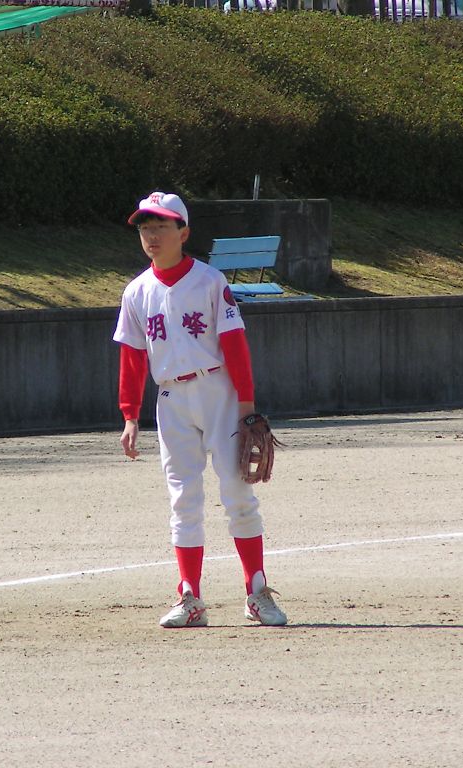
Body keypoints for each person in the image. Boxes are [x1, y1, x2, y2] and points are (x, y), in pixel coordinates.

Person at [113, 191, 288, 629]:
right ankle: (190, 597)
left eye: (161, 226)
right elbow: (132, 358)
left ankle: (256, 592)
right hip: (170, 399)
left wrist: (246, 406)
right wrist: (130, 415)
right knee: (183, 498)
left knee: (237, 492)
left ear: (184, 233)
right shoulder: (136, 292)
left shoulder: (210, 281)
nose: (151, 235)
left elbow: (235, 344)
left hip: (218, 392)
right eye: (145, 227)